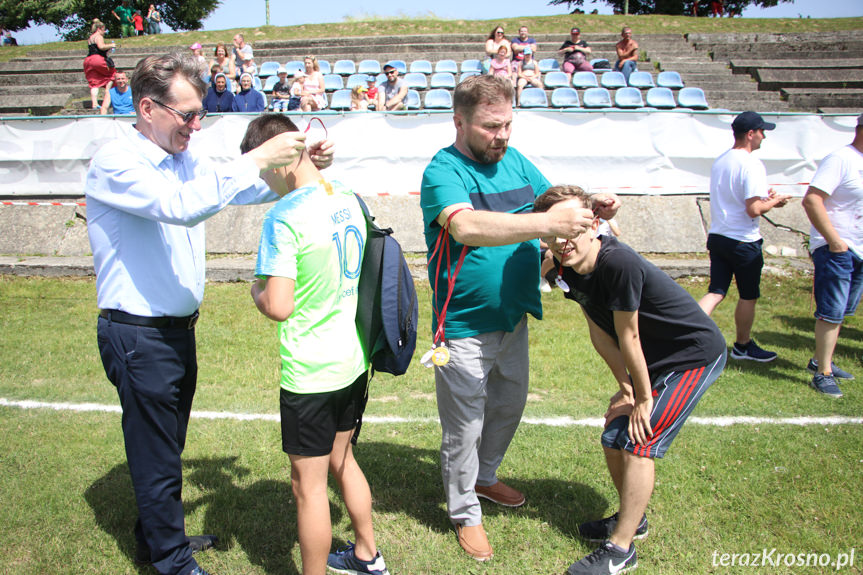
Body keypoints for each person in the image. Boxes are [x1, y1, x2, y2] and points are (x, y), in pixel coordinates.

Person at [85, 51, 334, 575]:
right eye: (188, 115)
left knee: (165, 450)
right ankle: (172, 563)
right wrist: (258, 155)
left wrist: (297, 162)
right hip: (139, 334)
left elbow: (233, 189)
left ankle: (158, 540)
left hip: (172, 332)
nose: (196, 126)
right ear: (148, 108)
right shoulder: (117, 161)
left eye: (200, 114)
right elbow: (182, 205)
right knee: (156, 456)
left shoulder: (182, 157)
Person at [419, 74, 619, 562]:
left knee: (508, 407)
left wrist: (592, 207)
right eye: (490, 127)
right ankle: (465, 512)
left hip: (514, 317)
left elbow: (555, 202)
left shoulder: (515, 160)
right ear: (459, 121)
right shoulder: (442, 171)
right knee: (463, 426)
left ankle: (484, 478)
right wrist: (549, 224)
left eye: (508, 124)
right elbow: (466, 226)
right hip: (463, 324)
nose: (502, 136)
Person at [533, 185, 726, 575]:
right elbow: (599, 330)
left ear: (595, 224)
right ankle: (631, 521)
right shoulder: (563, 267)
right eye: (554, 231)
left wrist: (642, 397)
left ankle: (621, 550)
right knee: (612, 435)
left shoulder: (617, 264)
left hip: (692, 356)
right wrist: (624, 387)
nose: (562, 240)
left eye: (573, 228)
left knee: (640, 439)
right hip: (653, 361)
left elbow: (629, 336)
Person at [244, 113, 389, 575]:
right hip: (352, 358)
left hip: (311, 370)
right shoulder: (345, 194)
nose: (263, 179)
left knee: (307, 485)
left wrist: (256, 291)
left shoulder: (283, 216)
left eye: (263, 168)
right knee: (343, 459)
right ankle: (368, 554)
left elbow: (279, 305)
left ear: (284, 158)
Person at [698, 111, 791, 362]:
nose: (764, 137)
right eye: (762, 132)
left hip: (718, 235)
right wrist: (775, 201)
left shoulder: (721, 160)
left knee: (716, 291)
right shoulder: (751, 164)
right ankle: (743, 345)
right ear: (750, 134)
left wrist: (766, 200)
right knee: (748, 295)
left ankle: (686, 333)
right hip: (743, 240)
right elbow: (753, 209)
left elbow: (739, 198)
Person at [800, 113, 863, 398]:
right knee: (832, 311)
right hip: (837, 249)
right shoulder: (841, 159)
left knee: (843, 311)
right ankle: (822, 373)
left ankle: (820, 359)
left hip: (857, 249)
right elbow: (812, 199)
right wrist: (835, 242)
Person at [83, 19, 116, 111]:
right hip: (98, 60)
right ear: (99, 28)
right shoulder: (99, 36)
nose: (104, 32)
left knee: (94, 83)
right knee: (111, 75)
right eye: (103, 29)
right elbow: (101, 47)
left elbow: (95, 49)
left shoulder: (90, 37)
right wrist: (111, 45)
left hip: (88, 60)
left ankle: (94, 103)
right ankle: (107, 94)